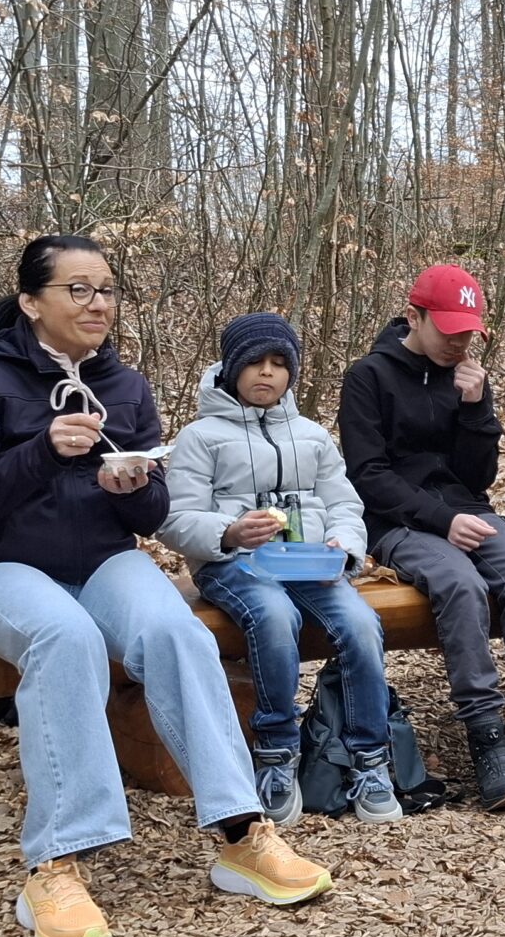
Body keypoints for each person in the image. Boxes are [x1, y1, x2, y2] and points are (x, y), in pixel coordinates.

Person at [0, 235, 331, 937]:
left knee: (179, 632)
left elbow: (152, 516)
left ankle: (242, 833)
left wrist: (132, 487)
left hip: (104, 560)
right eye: (78, 289)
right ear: (31, 302)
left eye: (107, 290)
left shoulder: (124, 386)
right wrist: (40, 451)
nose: (98, 304)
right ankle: (54, 866)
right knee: (66, 636)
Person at [339, 264, 505, 810]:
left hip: (466, 510)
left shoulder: (468, 377)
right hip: (396, 521)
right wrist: (440, 520)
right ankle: (487, 738)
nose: (459, 343)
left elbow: (478, 478)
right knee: (460, 584)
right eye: (448, 330)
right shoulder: (368, 378)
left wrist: (475, 410)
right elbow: (368, 476)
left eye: (469, 332)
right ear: (414, 317)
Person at [156, 312, 401, 827]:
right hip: (234, 564)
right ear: (231, 369)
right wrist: (229, 531)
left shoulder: (311, 435)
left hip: (311, 563)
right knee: (273, 616)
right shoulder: (200, 436)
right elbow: (174, 519)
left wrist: (343, 547)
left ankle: (370, 758)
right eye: (254, 363)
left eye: (278, 363)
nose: (267, 372)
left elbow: (345, 504)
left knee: (360, 624)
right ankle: (276, 752)